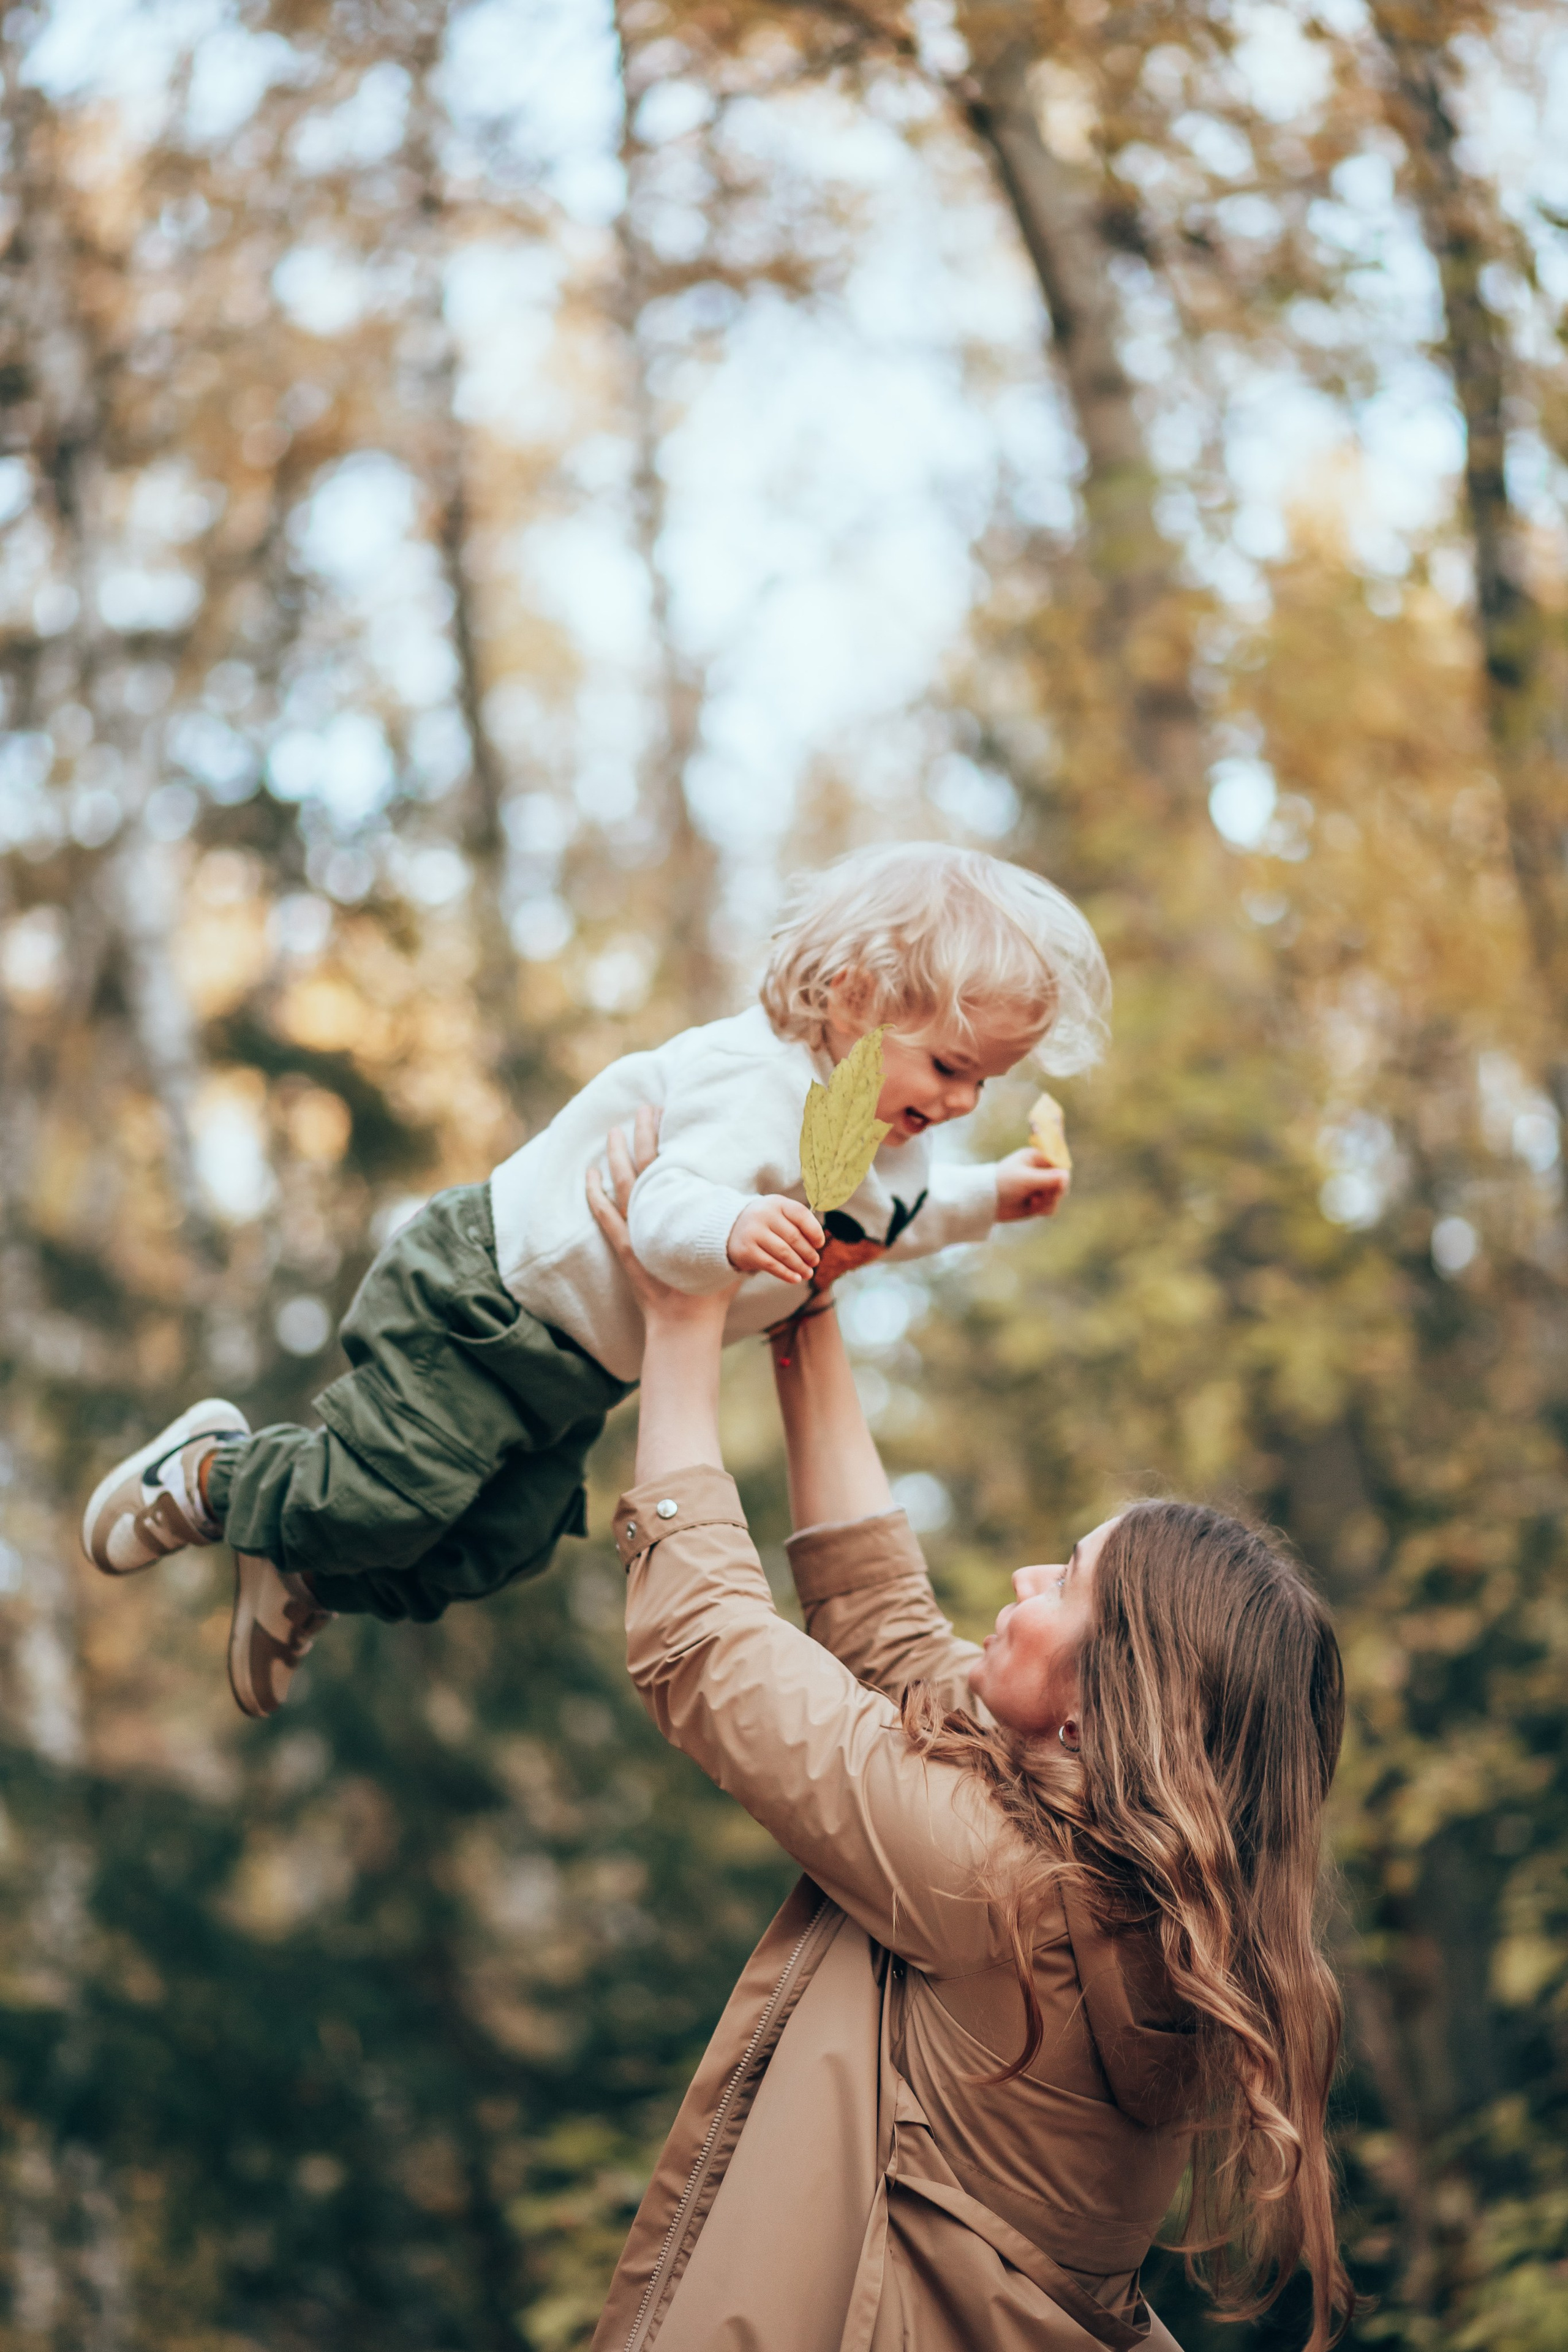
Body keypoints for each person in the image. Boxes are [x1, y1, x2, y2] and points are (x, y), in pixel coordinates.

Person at [583, 1119, 1351, 2352]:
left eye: (1066, 1584)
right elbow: (887, 1633)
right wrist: (807, 1324)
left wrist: (678, 1328)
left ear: (1108, 1707)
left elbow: (703, 1646)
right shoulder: (1125, 1890)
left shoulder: (998, 1884)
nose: (1024, 1571)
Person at [81, 842, 1107, 1719]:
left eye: (987, 1082)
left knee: (505, 1544)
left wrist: (987, 1200)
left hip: (573, 1377)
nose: (967, 1099)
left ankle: (303, 1560)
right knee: (389, 1496)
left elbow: (881, 1227)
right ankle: (213, 1476)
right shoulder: (751, 1082)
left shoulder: (881, 1136)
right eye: (950, 1067)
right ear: (855, 997)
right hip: (487, 1302)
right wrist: (738, 1222)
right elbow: (655, 1212)